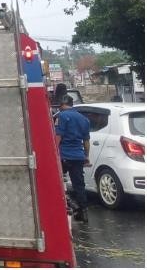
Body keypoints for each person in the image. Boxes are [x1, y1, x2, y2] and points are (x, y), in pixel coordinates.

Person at [54, 94, 91, 223]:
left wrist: (54, 152)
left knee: (56, 182)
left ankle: (71, 204)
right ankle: (84, 213)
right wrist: (86, 156)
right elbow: (86, 141)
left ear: (61, 104)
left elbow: (58, 136)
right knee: (79, 185)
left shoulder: (62, 116)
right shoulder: (84, 119)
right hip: (78, 156)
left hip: (64, 155)